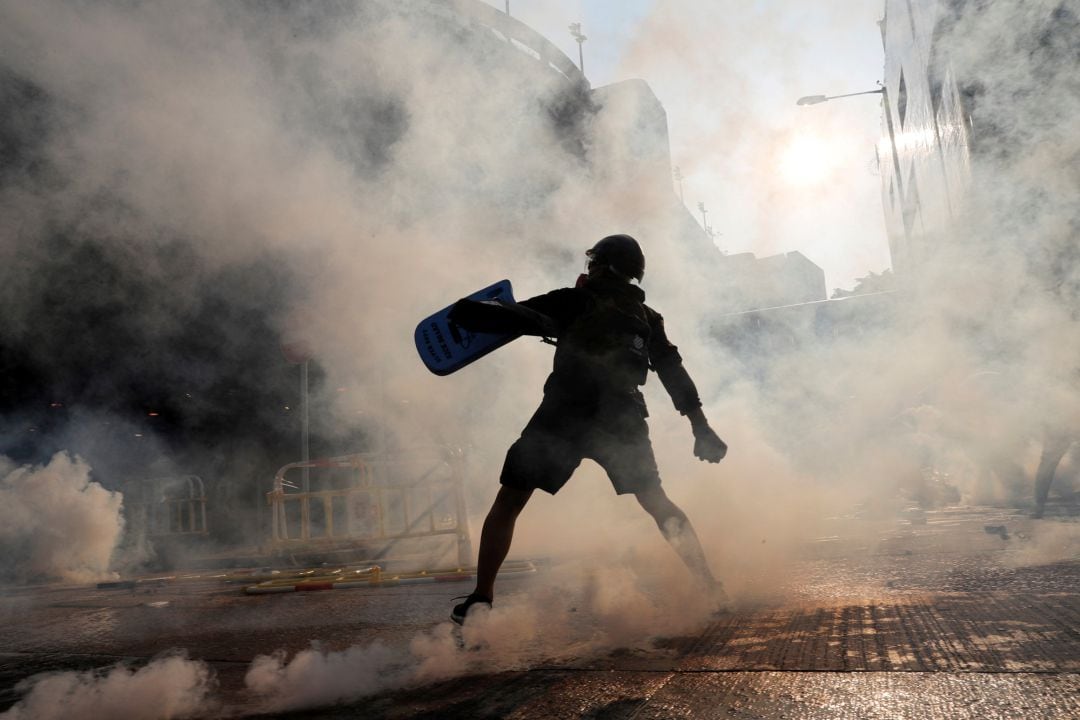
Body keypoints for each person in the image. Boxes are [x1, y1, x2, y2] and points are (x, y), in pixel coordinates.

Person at [447, 234, 729, 625]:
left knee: (510, 501)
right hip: (622, 418)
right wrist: (702, 428)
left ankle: (481, 600)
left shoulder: (575, 299)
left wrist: (469, 311)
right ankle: (709, 586)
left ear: (599, 266)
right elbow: (672, 372)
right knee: (656, 502)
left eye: (592, 263)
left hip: (565, 414)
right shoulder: (648, 319)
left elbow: (520, 318)